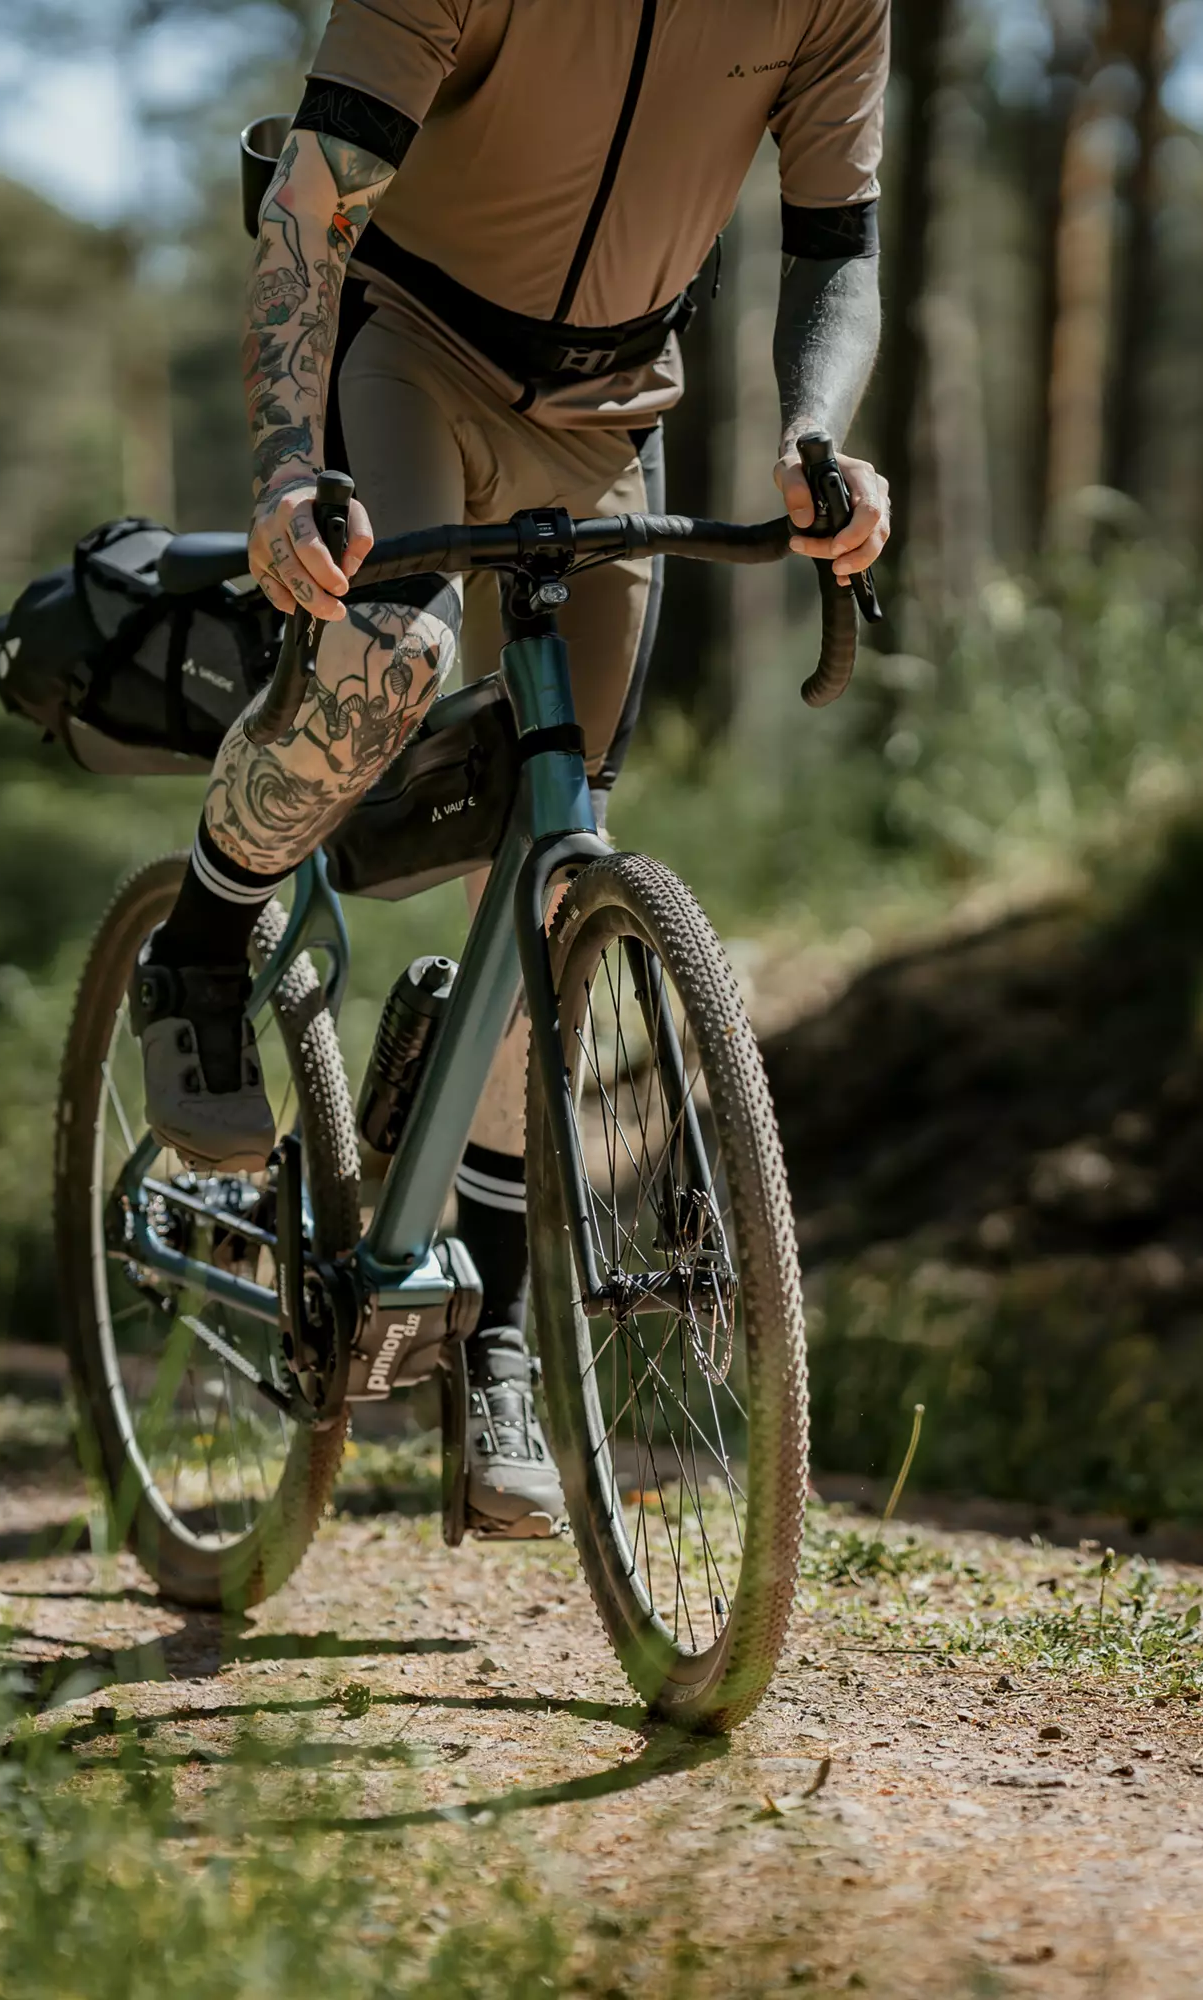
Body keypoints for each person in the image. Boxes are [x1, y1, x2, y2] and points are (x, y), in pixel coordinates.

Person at [131, 0, 895, 1539]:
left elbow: (835, 250)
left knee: (550, 860)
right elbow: (314, 197)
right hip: (405, 347)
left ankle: (491, 1343)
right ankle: (205, 942)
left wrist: (818, 432)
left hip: (616, 407)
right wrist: (290, 463)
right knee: (390, 657)